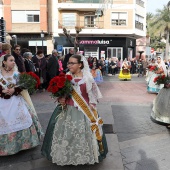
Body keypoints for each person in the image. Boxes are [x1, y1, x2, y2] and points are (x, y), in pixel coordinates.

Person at [41, 54, 108, 165]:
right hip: (68, 109)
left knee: (82, 133)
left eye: (73, 63)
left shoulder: (88, 78)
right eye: (69, 63)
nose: (69, 65)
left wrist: (92, 104)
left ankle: (85, 156)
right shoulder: (66, 76)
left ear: (80, 65)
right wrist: (61, 98)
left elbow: (94, 95)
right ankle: (66, 156)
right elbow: (62, 93)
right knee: (66, 133)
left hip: (85, 111)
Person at [0, 54, 43, 156]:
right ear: (4, 62)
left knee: (23, 117)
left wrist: (15, 89)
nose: (13, 62)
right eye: (11, 60)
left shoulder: (16, 74)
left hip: (16, 100)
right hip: (2, 101)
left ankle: (23, 144)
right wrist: (2, 91)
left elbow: (22, 85)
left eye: (14, 60)